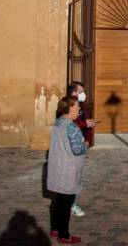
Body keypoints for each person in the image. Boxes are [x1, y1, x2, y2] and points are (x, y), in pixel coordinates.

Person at [47, 95, 86, 244]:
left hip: (57, 167)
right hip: (68, 169)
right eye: (77, 106)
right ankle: (64, 235)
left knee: (58, 201)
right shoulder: (71, 126)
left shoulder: (58, 122)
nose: (79, 108)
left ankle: (55, 229)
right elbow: (77, 150)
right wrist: (85, 143)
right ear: (69, 108)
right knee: (66, 203)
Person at [66, 81, 97, 216]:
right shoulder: (68, 106)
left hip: (81, 145)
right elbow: (70, 124)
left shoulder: (80, 106)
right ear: (73, 93)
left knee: (77, 177)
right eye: (80, 91)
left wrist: (88, 139)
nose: (83, 94)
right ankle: (71, 205)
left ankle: (71, 203)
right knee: (74, 178)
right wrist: (85, 124)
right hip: (74, 148)